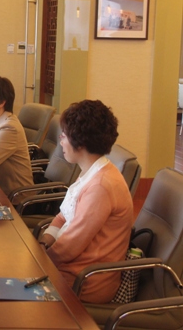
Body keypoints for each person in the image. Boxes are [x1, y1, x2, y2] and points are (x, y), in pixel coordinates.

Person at [38, 100, 133, 303]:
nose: (61, 142)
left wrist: (37, 260)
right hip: (68, 268)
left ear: (79, 142)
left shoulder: (101, 185)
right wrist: (43, 242)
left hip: (84, 282)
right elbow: (63, 216)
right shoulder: (90, 171)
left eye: (64, 136)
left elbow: (71, 246)